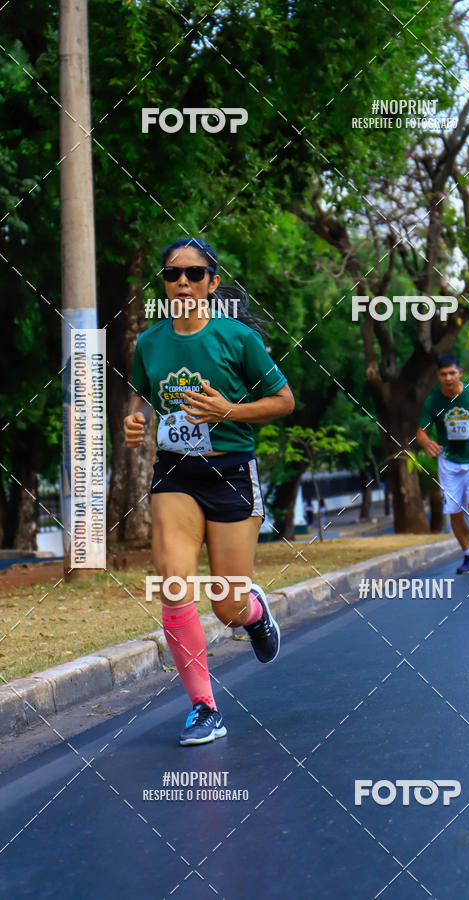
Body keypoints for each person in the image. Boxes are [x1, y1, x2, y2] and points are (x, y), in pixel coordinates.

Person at [123, 238, 294, 745]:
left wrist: (230, 413)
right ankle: (204, 707)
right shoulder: (150, 342)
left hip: (232, 474)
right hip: (174, 473)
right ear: (165, 283)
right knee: (174, 582)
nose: (183, 282)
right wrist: (135, 422)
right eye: (174, 274)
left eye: (195, 274)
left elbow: (284, 400)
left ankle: (253, 612)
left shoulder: (237, 338)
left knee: (226, 606)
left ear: (212, 283)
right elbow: (141, 398)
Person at [416, 354, 469, 574]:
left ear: (460, 372)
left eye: (452, 373)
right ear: (438, 376)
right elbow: (421, 431)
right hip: (448, 462)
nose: (448, 378)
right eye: (443, 374)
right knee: (454, 511)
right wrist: (426, 442)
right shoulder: (433, 401)